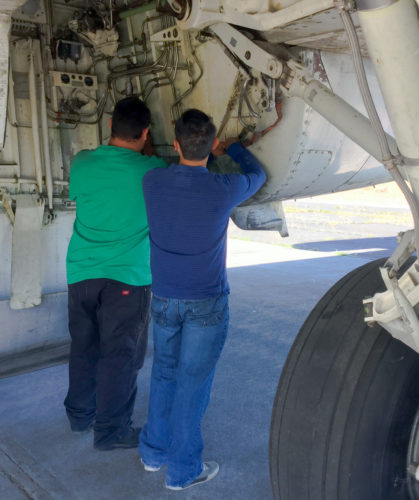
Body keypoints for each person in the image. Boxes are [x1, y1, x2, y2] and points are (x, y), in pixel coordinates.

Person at [139, 109, 267, 490]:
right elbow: (258, 176)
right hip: (205, 303)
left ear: (176, 144)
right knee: (192, 385)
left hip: (163, 297)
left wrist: (205, 151)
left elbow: (168, 168)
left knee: (163, 373)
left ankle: (153, 454)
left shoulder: (152, 181)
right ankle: (182, 471)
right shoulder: (223, 187)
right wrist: (237, 148)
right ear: (212, 147)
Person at [64, 96, 167, 451]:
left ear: (109, 126)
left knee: (83, 347)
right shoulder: (153, 171)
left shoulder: (82, 163)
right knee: (120, 356)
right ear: (145, 133)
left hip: (81, 274)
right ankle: (111, 431)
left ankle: (80, 416)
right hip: (127, 279)